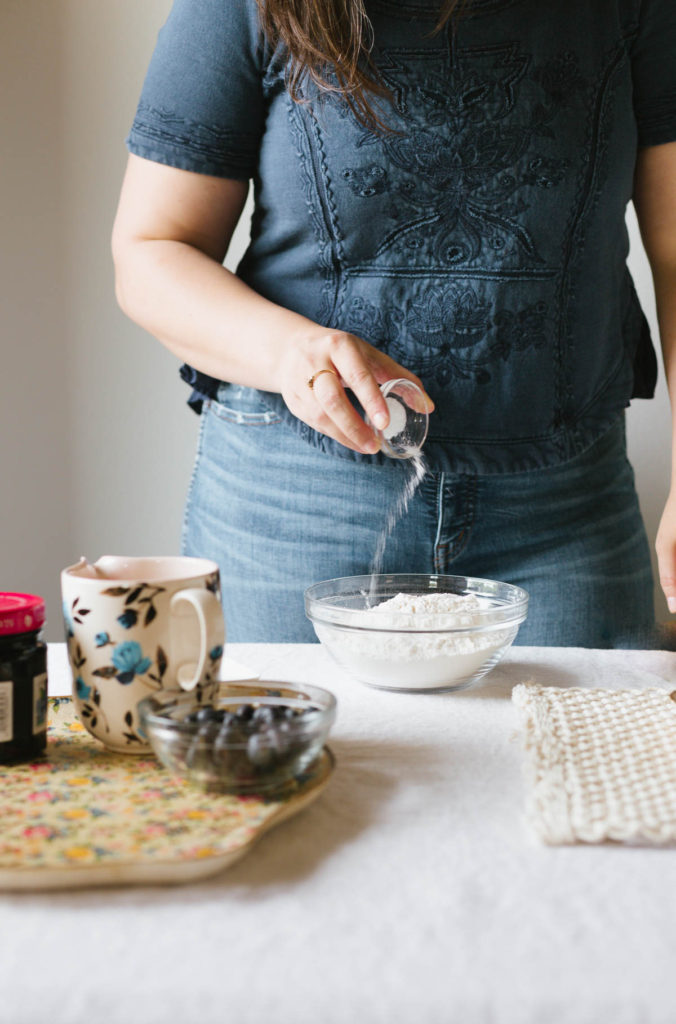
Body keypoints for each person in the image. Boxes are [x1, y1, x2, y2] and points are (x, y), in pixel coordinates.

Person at [112, 0, 676, 646]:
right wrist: (294, 354)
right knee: (293, 750)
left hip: (561, 515)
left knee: (589, 748)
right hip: (296, 509)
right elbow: (152, 250)